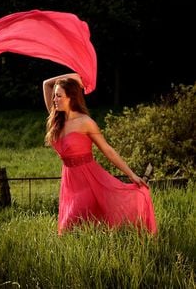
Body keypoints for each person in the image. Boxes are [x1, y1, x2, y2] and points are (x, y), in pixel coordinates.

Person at [43, 73, 157, 235]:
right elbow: (46, 83)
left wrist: (132, 175)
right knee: (74, 232)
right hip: (69, 182)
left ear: (71, 97)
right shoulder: (56, 120)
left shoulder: (86, 123)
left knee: (69, 227)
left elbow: (108, 150)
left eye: (59, 96)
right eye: (54, 96)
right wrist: (72, 78)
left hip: (88, 181)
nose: (54, 99)